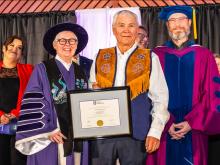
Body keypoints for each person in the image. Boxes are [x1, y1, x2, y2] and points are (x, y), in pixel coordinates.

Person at [89, 10, 170, 165]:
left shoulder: (149, 58)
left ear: (137, 30)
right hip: (103, 134)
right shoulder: (99, 57)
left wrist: (155, 131)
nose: (126, 30)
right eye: (121, 25)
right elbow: (91, 96)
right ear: (114, 30)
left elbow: (161, 99)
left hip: (136, 133)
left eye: (131, 25)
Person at [146, 5, 220, 165]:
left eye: (181, 19)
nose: (177, 24)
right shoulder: (156, 55)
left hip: (195, 129)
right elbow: (148, 94)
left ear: (189, 23)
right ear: (167, 25)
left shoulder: (204, 55)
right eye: (172, 20)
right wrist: (166, 121)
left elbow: (211, 94)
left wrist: (192, 122)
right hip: (163, 128)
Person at [15, 23, 89, 165]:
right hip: (51, 137)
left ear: (77, 45)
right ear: (55, 45)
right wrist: (48, 130)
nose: (67, 44)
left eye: (72, 40)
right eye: (62, 40)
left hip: (78, 136)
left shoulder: (81, 72)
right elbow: (33, 102)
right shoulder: (42, 69)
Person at [0, 35, 33, 165]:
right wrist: (1, 115)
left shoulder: (29, 70)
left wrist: (16, 113)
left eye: (19, 48)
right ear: (4, 48)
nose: (15, 49)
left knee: (18, 161)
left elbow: (33, 95)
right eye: (12, 45)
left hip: (20, 124)